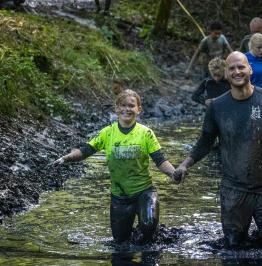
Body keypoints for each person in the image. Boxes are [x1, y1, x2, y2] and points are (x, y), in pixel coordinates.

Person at [174, 51, 262, 248]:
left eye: (241, 67)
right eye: (232, 68)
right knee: (233, 246)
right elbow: (205, 142)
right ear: (226, 74)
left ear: (250, 69)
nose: (237, 71)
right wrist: (185, 165)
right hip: (233, 189)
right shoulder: (217, 107)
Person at [53, 89, 178, 244]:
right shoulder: (107, 133)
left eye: (131, 106)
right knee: (120, 241)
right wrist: (66, 158)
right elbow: (85, 151)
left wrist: (174, 173)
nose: (127, 109)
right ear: (117, 108)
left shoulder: (146, 133)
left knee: (149, 224)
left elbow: (160, 161)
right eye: (123, 105)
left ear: (138, 109)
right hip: (119, 196)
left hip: (143, 192)